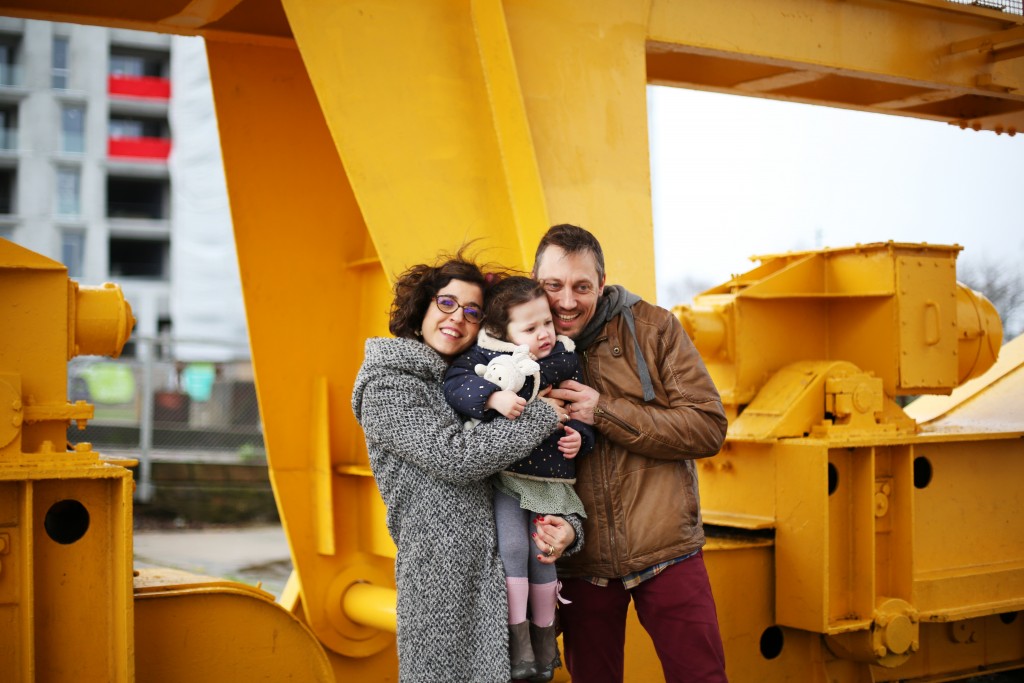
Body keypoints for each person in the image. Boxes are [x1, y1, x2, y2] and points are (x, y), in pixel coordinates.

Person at [350, 250, 583, 682]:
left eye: (473, 311)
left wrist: (568, 526)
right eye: (447, 303)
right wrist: (544, 414)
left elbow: (528, 472)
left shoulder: (487, 381)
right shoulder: (386, 386)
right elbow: (454, 457)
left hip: (508, 586)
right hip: (444, 589)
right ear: (422, 308)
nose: (458, 317)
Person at [534, 224, 730, 682]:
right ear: (536, 282)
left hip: (668, 552)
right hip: (580, 562)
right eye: (554, 286)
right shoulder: (518, 343)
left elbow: (708, 426)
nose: (566, 302)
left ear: (602, 285)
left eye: (582, 287)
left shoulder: (654, 327)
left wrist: (604, 411)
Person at [443, 276, 595, 682]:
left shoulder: (565, 358)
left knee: (543, 555)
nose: (545, 334)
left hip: (551, 482)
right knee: (511, 548)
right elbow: (456, 382)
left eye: (546, 322)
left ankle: (545, 644)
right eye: (530, 329)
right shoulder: (490, 360)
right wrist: (492, 396)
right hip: (509, 478)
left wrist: (582, 439)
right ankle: (519, 644)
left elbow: (582, 415)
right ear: (502, 333)